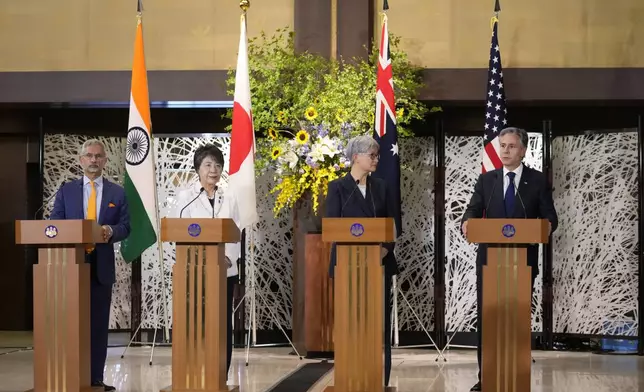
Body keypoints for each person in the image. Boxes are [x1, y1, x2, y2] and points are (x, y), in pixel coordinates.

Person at [461, 127, 558, 391]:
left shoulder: (537, 181)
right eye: (502, 145)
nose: (505, 150)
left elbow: (551, 216)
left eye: (511, 146)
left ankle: (516, 375)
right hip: (490, 262)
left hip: (522, 263)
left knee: (515, 320)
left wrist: (547, 225)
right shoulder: (487, 180)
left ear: (523, 150)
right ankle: (486, 377)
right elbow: (472, 209)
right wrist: (467, 222)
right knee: (489, 319)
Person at [50, 139, 130, 392]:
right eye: (89, 156)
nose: (94, 160)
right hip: (71, 267)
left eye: (98, 156)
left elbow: (126, 227)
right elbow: (55, 224)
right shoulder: (66, 191)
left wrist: (110, 230)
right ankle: (70, 375)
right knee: (70, 324)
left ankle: (95, 378)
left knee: (97, 327)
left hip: (101, 268)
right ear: (81, 160)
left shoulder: (117, 193)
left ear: (105, 161)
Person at [325, 135, 398, 387]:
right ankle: (349, 379)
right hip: (348, 266)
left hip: (378, 264)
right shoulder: (338, 187)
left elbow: (393, 224)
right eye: (372, 155)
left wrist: (386, 249)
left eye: (377, 155)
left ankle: (379, 380)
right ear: (356, 157)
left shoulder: (382, 186)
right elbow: (331, 226)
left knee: (377, 327)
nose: (376, 159)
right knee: (351, 325)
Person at [173, 144, 241, 378]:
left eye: (218, 165)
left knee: (223, 324)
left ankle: (220, 374)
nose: (214, 170)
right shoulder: (185, 197)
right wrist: (202, 258)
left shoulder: (229, 197)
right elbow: (178, 232)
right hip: (194, 271)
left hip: (224, 271)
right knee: (196, 323)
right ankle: (194, 372)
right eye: (208, 165)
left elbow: (236, 232)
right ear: (198, 169)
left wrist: (228, 260)